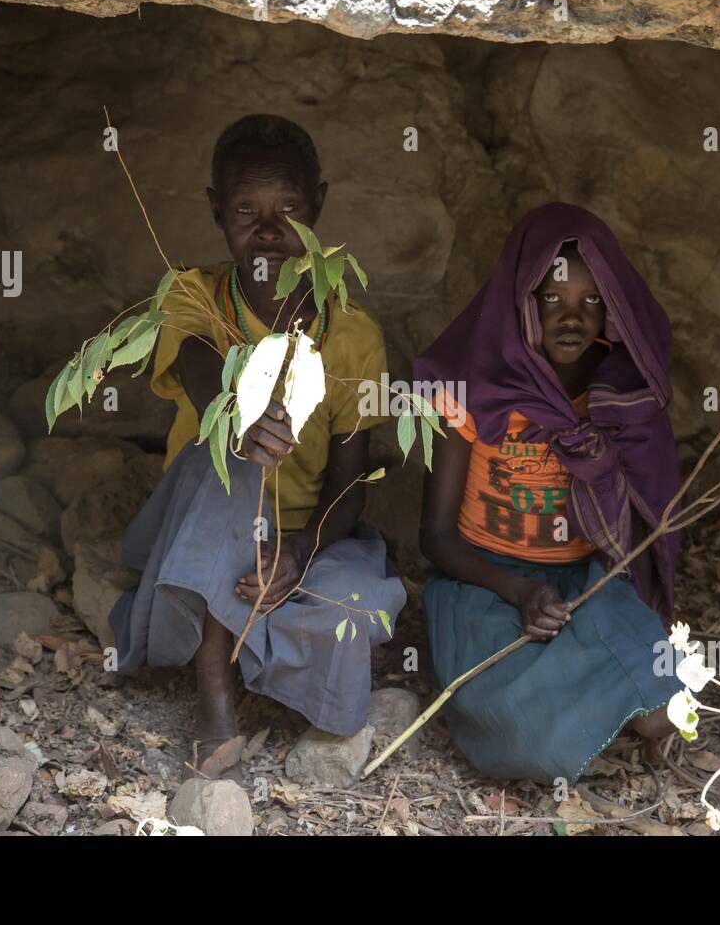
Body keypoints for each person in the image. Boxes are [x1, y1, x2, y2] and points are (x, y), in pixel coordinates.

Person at [109, 114, 405, 777]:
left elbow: (350, 481)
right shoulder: (192, 294)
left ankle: (253, 627)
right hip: (203, 520)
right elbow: (193, 360)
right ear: (216, 211)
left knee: (351, 612)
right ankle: (213, 679)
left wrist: (298, 553)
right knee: (234, 455)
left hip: (302, 532)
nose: (268, 230)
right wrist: (237, 412)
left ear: (319, 206)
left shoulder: (351, 332)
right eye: (246, 208)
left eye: (290, 208)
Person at [414, 202, 683, 782]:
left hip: (586, 580)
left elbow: (644, 500)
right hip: (484, 582)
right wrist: (518, 590)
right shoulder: (469, 387)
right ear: (520, 297)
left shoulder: (617, 387)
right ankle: (579, 713)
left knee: (666, 709)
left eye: (591, 301)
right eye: (552, 299)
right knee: (530, 743)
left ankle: (594, 704)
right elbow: (434, 537)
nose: (571, 319)